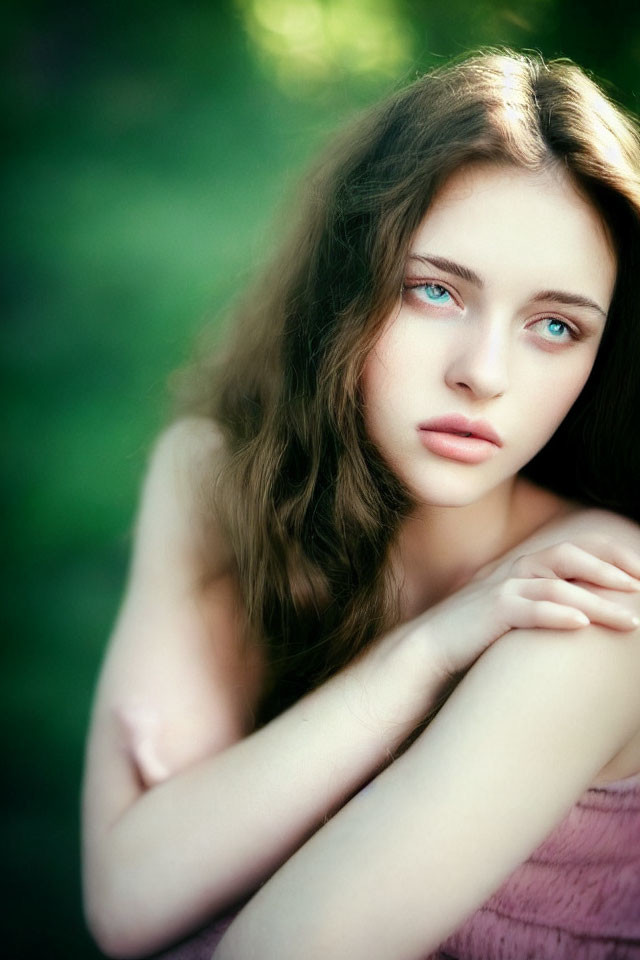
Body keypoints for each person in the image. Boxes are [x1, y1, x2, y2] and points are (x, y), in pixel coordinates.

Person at [81, 48, 640, 960]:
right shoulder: (218, 483)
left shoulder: (599, 593)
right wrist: (419, 654)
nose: (484, 375)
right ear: (347, 286)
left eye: (554, 325)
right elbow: (128, 898)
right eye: (434, 289)